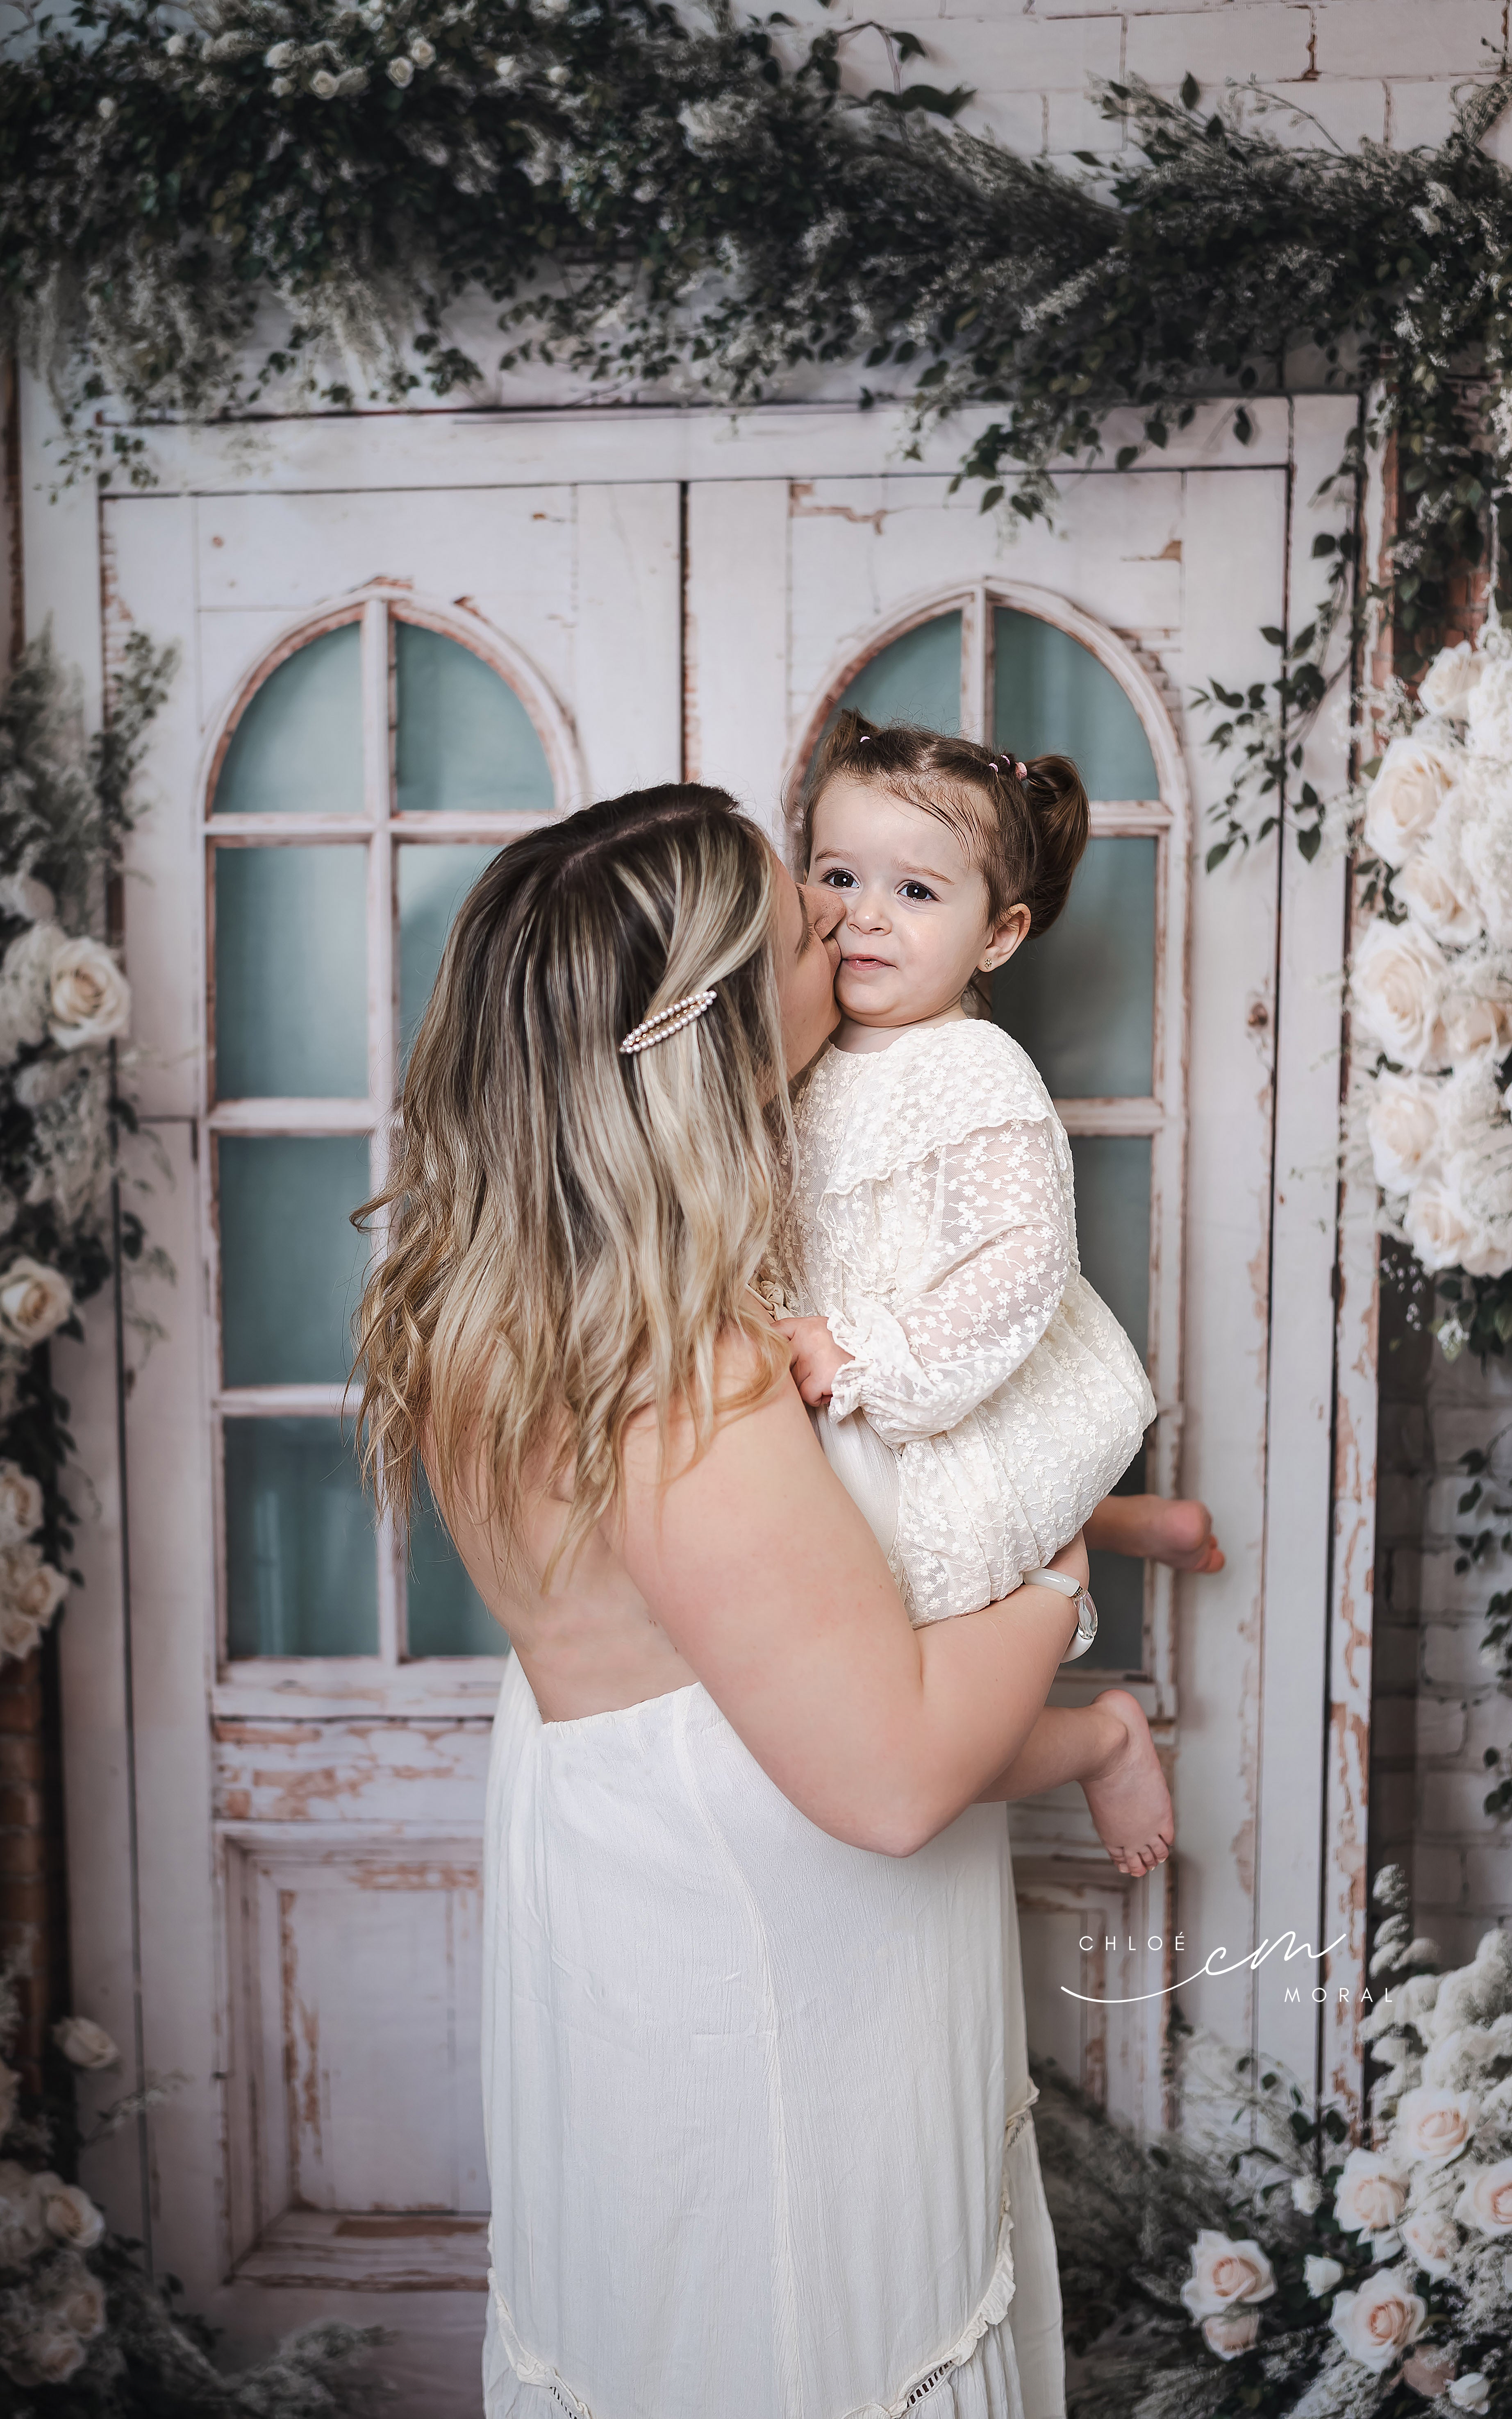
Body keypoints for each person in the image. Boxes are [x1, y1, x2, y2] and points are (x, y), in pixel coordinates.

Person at [353, 784, 1212, 2419]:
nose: (845, 928)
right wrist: (1054, 1580)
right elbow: (885, 1779)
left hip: (635, 1914)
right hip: (759, 1982)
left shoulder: (499, 1304)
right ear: (716, 1029)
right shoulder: (681, 1375)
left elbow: (756, 1597)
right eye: (805, 920)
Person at [776, 713, 1171, 1877]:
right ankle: (1123, 1529)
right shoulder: (806, 1046)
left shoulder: (974, 1071)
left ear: (997, 936)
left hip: (925, 1393)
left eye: (914, 891)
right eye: (838, 875)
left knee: (878, 1728)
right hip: (822, 1390)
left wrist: (869, 1360)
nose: (864, 915)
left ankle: (1101, 1736)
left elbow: (1016, 1271)